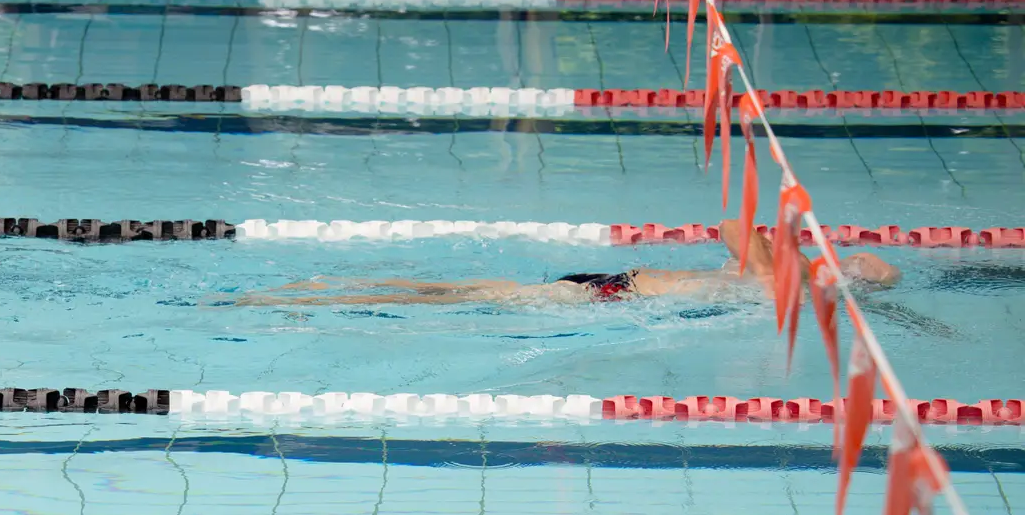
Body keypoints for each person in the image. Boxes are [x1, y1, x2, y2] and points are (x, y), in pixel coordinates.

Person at [230, 218, 900, 307]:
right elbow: (734, 224)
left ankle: (334, 288)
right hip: (607, 291)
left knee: (466, 292)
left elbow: (742, 235)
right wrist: (792, 241)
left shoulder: (777, 291)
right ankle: (328, 293)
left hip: (610, 290)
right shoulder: (775, 282)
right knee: (464, 297)